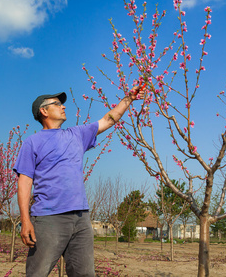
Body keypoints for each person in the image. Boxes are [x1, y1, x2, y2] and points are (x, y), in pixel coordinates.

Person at [14, 85, 144, 276]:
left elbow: (108, 120)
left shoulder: (76, 134)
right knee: (37, 273)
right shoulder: (32, 142)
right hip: (49, 218)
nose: (63, 107)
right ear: (44, 111)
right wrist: (25, 220)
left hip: (81, 219)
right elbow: (24, 183)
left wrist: (129, 98)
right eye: (57, 104)